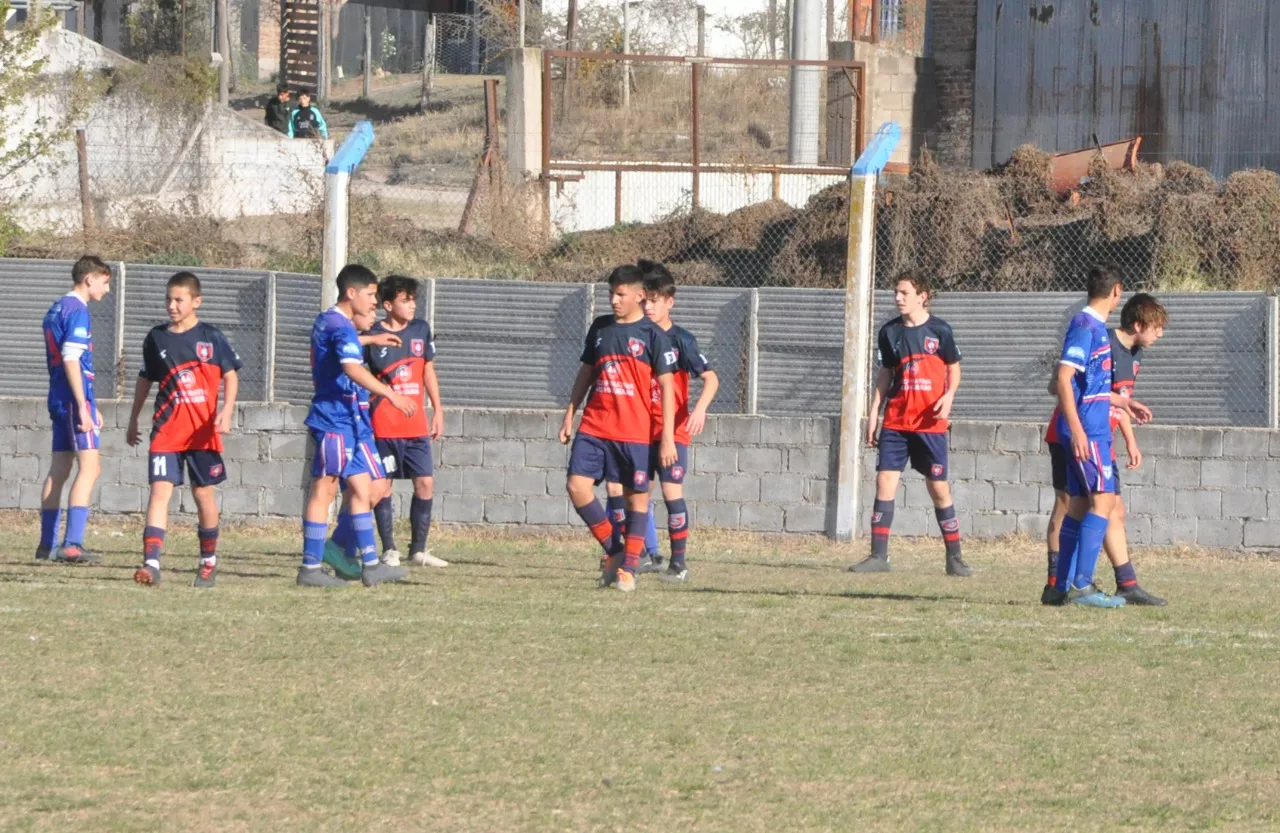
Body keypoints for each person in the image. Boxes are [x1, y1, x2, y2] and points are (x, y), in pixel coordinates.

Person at [1042, 293, 1166, 606]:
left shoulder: (1135, 353)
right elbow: (1061, 384)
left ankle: (1112, 583)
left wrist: (1130, 440)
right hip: (1077, 434)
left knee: (1102, 506)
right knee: (1077, 505)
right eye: (1157, 327)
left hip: (1100, 436)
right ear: (1139, 324)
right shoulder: (1099, 337)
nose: (1160, 333)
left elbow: (1117, 400)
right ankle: (1069, 583)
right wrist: (1080, 429)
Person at [559, 264, 677, 593]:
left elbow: (668, 389)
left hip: (635, 433)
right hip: (595, 425)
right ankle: (615, 550)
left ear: (640, 296)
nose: (613, 300)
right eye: (611, 293)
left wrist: (666, 438)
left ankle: (629, 570)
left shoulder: (654, 336)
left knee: (636, 500)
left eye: (620, 294)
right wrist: (570, 412)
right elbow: (586, 373)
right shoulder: (600, 328)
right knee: (576, 485)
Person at [298, 264, 416, 588]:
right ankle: (310, 567)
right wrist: (391, 394)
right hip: (334, 419)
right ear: (351, 293)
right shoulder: (339, 326)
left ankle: (370, 564)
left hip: (352, 420)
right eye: (371, 295)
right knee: (325, 488)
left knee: (365, 490)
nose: (375, 302)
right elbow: (350, 366)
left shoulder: (335, 323)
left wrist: (372, 337)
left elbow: (342, 348)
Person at [604, 260, 719, 584]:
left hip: (673, 430)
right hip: (639, 429)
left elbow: (711, 379)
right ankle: (638, 554)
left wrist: (698, 410)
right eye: (645, 300)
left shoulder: (681, 339)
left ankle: (678, 563)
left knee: (671, 492)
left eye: (654, 301)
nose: (649, 306)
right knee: (627, 489)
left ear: (670, 302)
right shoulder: (635, 334)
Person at [126, 272, 242, 588]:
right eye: (168, 299)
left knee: (202, 494)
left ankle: (207, 563)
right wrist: (134, 417)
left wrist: (226, 411)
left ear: (196, 302)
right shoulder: (156, 338)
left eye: (178, 299)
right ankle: (151, 564)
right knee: (159, 491)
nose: (172, 305)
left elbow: (230, 375)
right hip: (166, 431)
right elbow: (144, 379)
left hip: (202, 433)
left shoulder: (212, 337)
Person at [851, 271, 969, 577]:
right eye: (896, 293)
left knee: (938, 488)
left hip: (930, 424)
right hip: (897, 421)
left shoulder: (940, 330)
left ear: (922, 296)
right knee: (884, 481)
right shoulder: (889, 332)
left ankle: (954, 558)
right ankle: (878, 556)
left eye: (904, 292)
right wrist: (875, 410)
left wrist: (949, 396)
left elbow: (954, 369)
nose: (898, 298)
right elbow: (886, 373)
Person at [363, 275, 447, 568]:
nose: (412, 305)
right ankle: (389, 549)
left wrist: (437, 410)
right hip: (383, 426)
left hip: (416, 427)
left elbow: (428, 371)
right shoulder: (371, 335)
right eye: (405, 300)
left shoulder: (421, 330)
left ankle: (419, 550)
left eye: (413, 299)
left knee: (424, 483)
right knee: (382, 487)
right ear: (387, 304)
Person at [38, 255, 111, 564]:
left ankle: (46, 546)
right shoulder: (78, 311)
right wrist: (83, 405)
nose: (107, 290)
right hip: (72, 398)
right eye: (105, 282)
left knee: (60, 470)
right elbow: (71, 359)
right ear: (89, 279)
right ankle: (71, 545)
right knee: (91, 468)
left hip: (58, 395)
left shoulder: (56, 308)